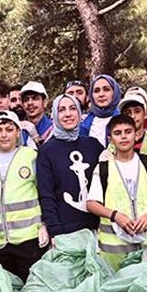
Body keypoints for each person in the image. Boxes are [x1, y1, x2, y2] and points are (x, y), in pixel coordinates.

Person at [86, 115, 147, 269]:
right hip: (115, 249)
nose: (123, 137)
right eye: (117, 133)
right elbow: (91, 204)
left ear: (136, 135)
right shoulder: (103, 167)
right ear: (110, 139)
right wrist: (116, 216)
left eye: (128, 132)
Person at [0, 111, 47, 278]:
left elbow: (44, 192)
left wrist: (45, 224)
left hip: (29, 238)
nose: (4, 135)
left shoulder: (31, 156)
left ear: (18, 132)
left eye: (9, 129)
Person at [37, 94, 107, 238]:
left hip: (100, 227)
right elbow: (46, 195)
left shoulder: (93, 145)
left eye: (73, 108)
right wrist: (55, 231)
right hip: (65, 230)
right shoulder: (46, 151)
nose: (68, 114)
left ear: (79, 113)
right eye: (62, 110)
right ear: (55, 115)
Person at [80, 74, 121, 147]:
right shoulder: (85, 123)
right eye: (96, 91)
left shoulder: (123, 119)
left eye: (106, 89)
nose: (101, 94)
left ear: (114, 92)